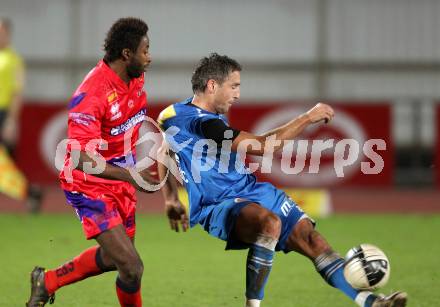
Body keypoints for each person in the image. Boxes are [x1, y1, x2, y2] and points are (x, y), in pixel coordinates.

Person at [156, 53, 408, 307]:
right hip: (216, 203)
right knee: (270, 223)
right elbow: (264, 147)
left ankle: (373, 303)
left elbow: (163, 151)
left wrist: (170, 199)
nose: (238, 94)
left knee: (312, 239)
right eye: (234, 86)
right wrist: (307, 117)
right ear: (212, 85)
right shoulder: (199, 122)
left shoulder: (187, 116)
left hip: (250, 189)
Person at [26, 17, 159, 307]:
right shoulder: (92, 94)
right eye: (145, 50)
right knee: (133, 266)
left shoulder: (135, 77)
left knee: (118, 261)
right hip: (88, 184)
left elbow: (127, 125)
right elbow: (77, 158)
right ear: (127, 54)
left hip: (119, 178)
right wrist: (130, 176)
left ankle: (47, 281)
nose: (150, 57)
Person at [0, 17, 42, 212]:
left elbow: (17, 92)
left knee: (5, 163)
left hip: (3, 113)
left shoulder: (13, 59)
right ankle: (30, 192)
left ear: (8, 34)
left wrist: (11, 120)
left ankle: (30, 191)